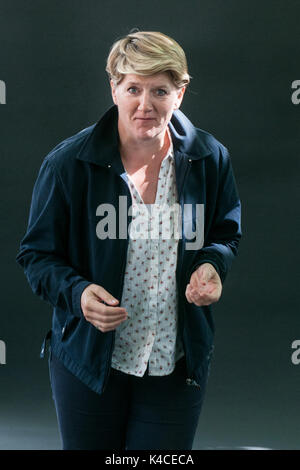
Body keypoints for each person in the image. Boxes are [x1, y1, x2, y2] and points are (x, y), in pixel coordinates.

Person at [16, 30, 242, 450]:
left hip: (176, 363)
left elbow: (225, 234)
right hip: (90, 362)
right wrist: (78, 293)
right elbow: (36, 255)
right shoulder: (69, 163)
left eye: (160, 89)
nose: (145, 103)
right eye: (133, 87)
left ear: (181, 92)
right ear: (113, 88)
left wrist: (212, 265)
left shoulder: (211, 159)